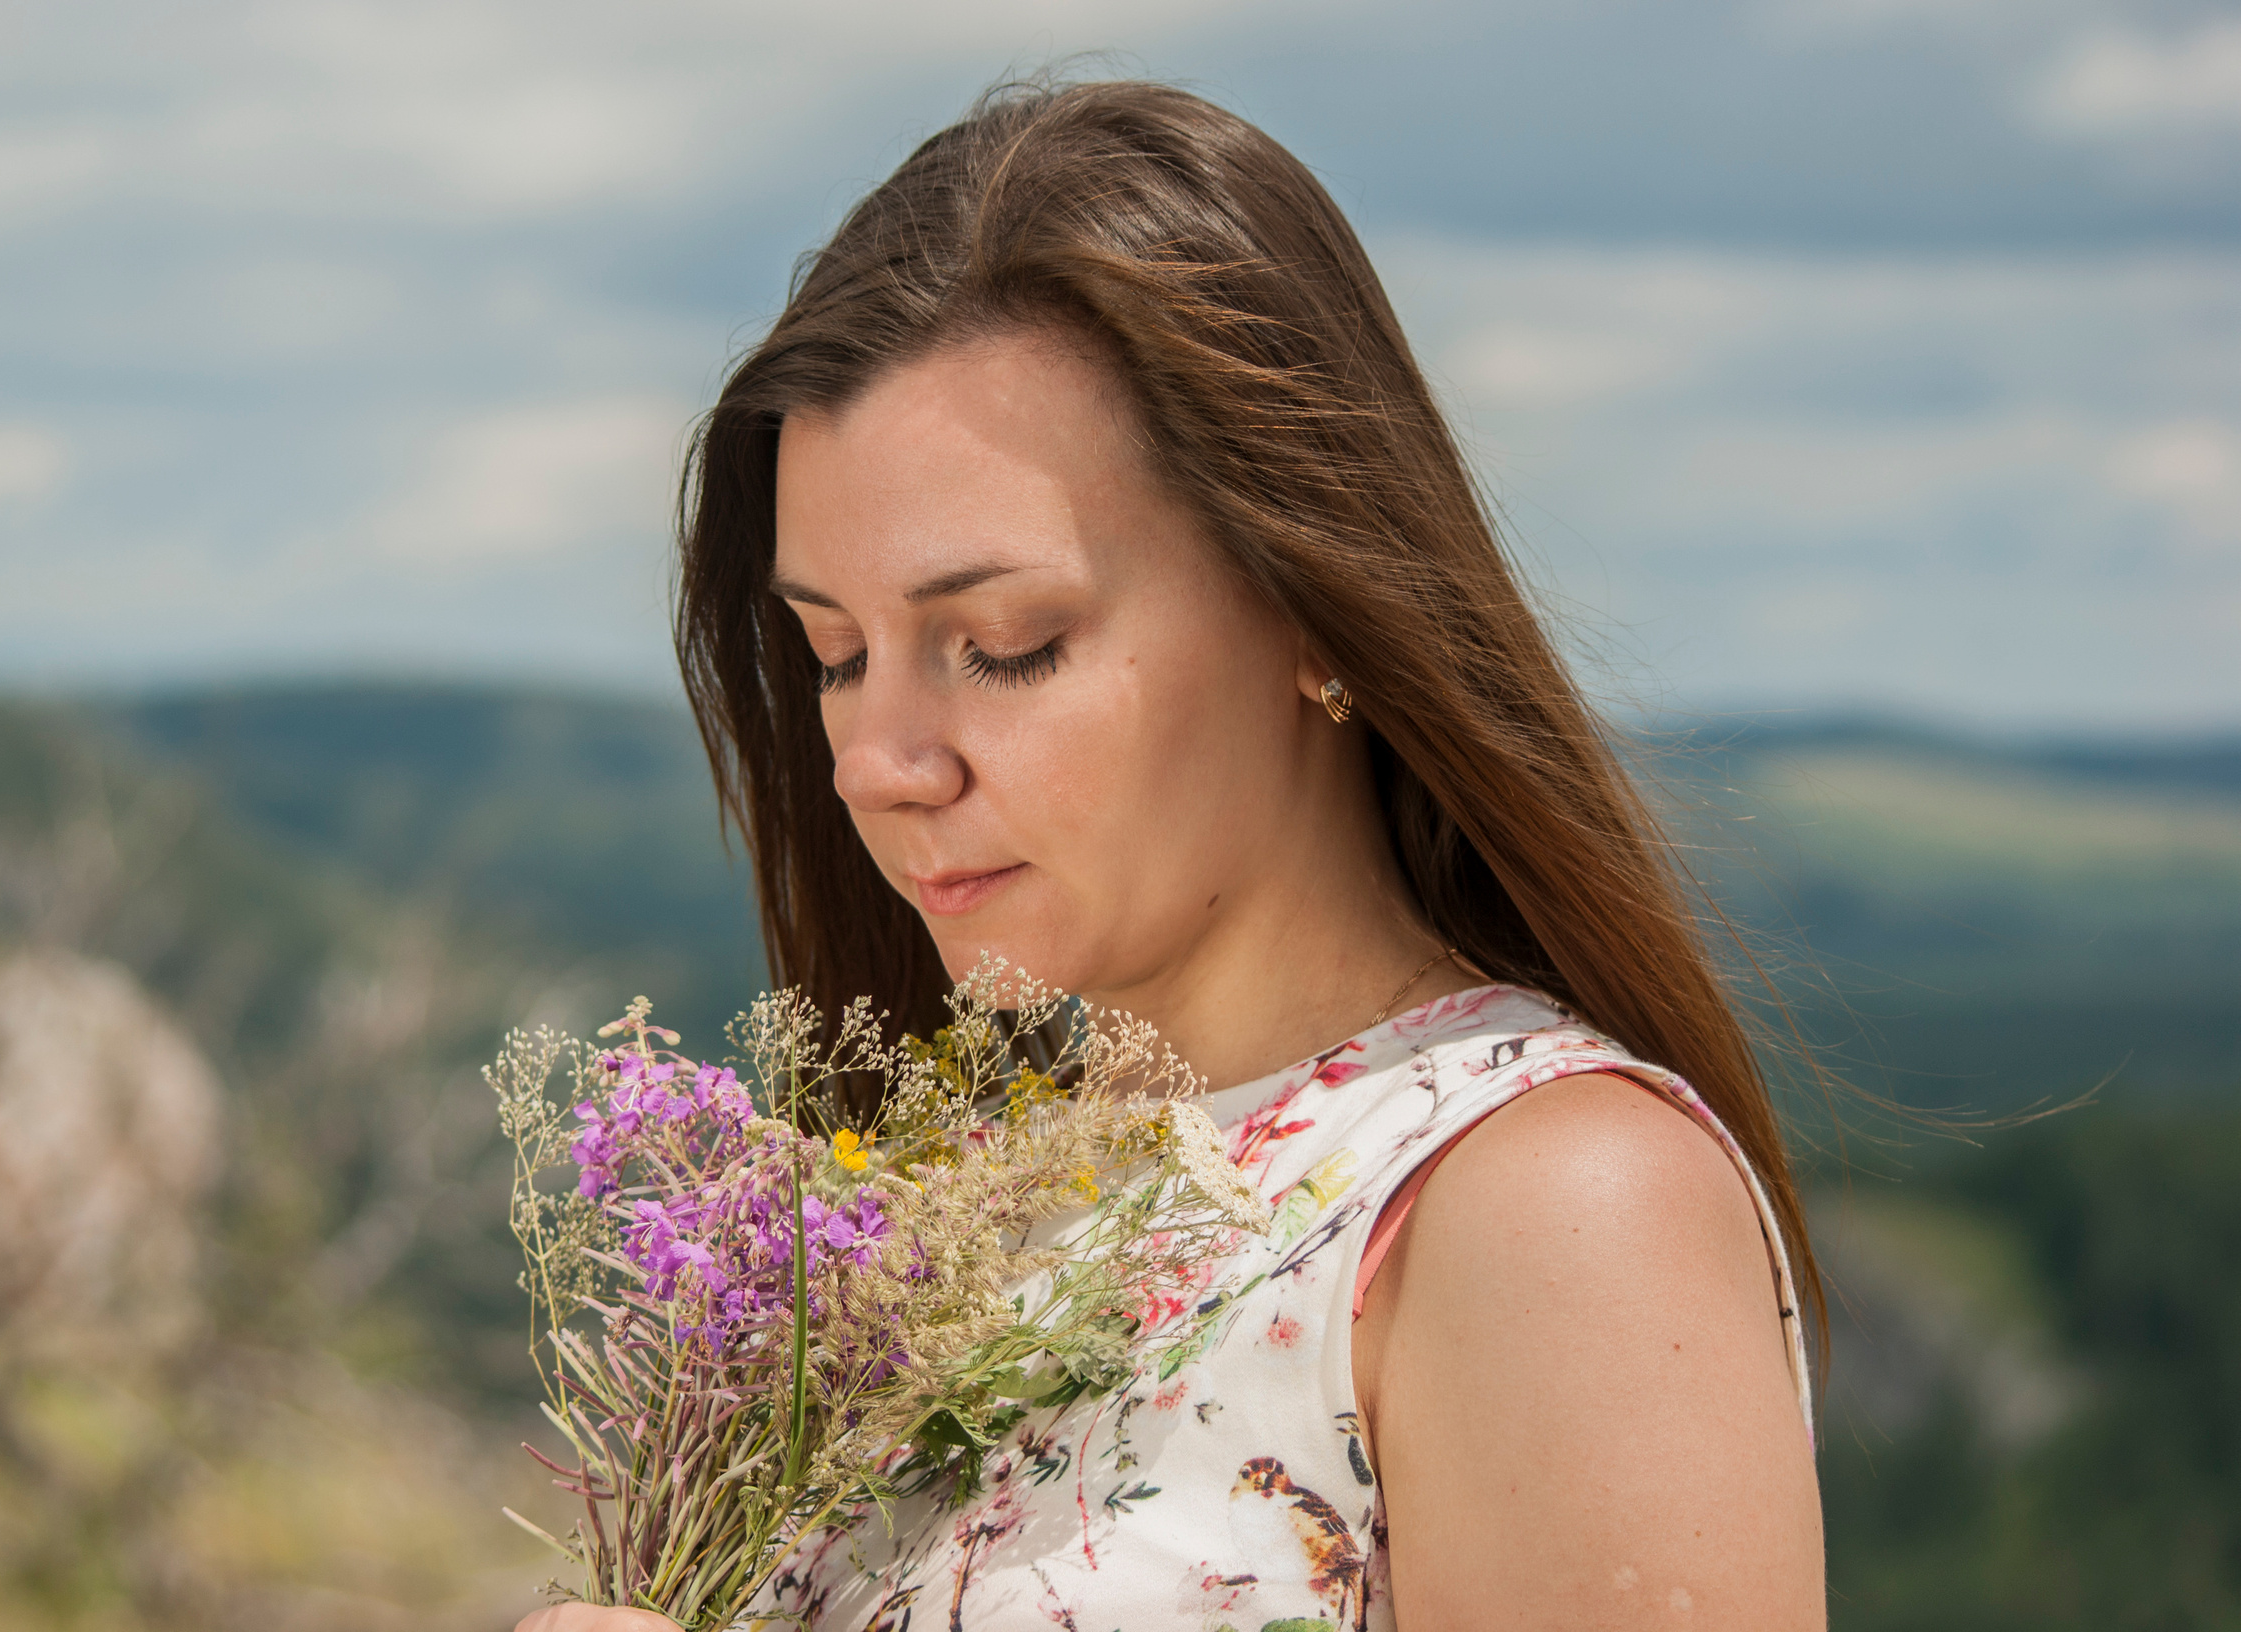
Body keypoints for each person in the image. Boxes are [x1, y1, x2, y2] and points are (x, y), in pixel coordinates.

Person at [521, 79, 1823, 1631]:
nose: (876, 763)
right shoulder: (951, 1220)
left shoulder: (1547, 1209)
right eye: (833, 652)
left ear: (1308, 608)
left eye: (1003, 644)